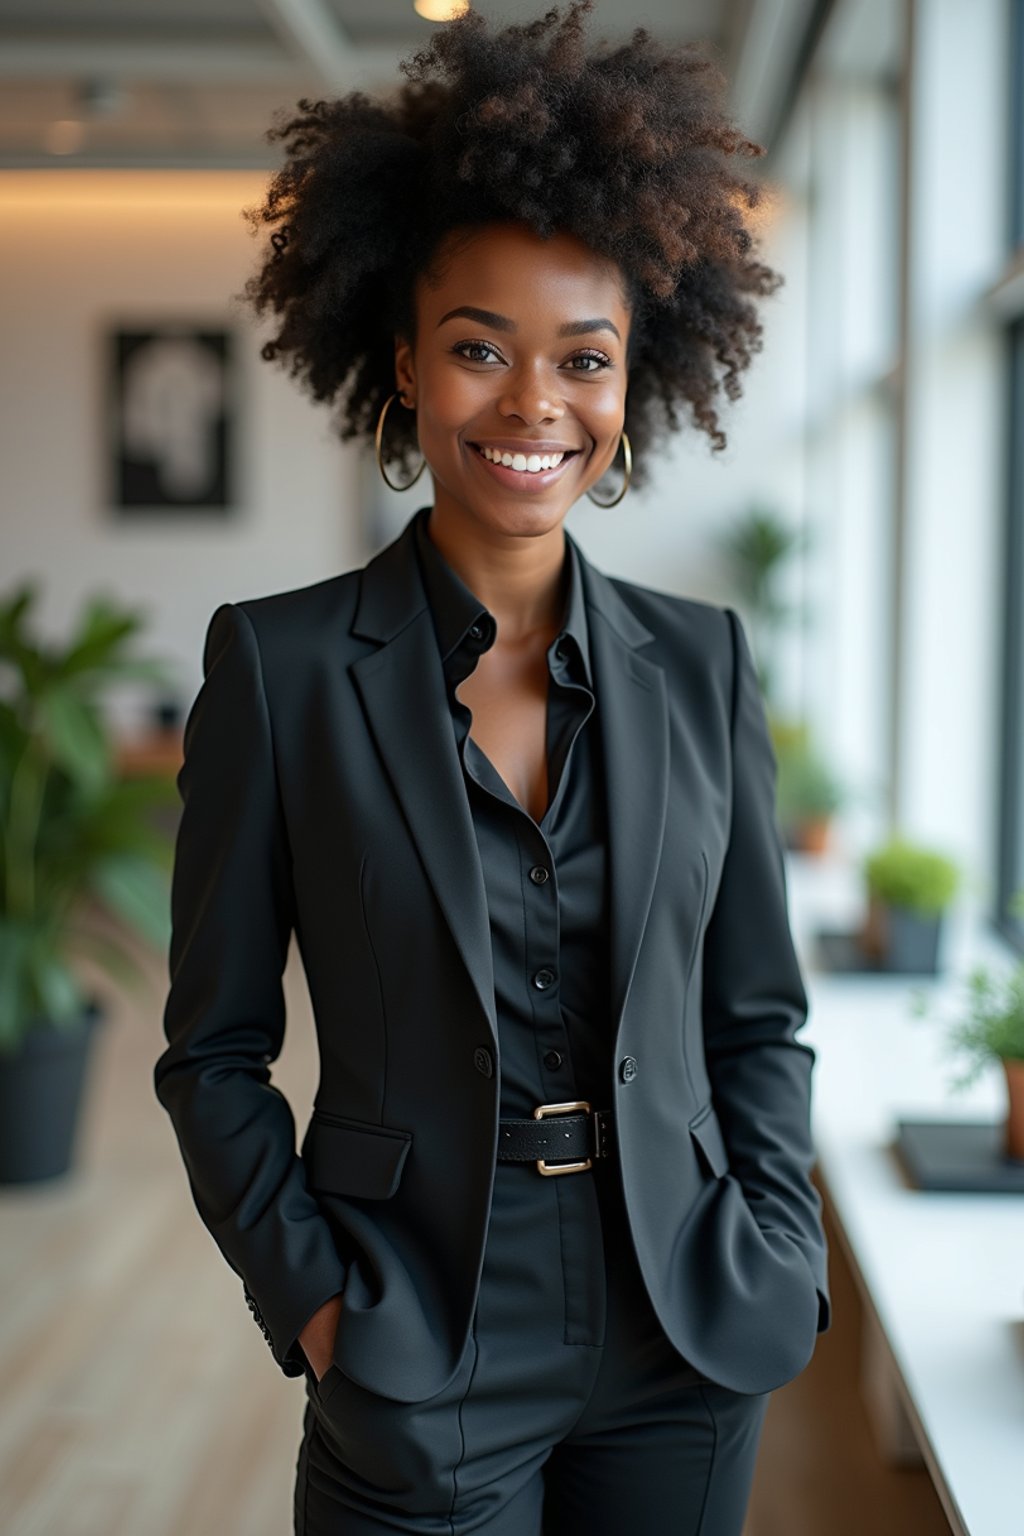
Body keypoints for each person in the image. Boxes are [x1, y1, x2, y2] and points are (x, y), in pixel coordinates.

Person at [153, 3, 832, 1532]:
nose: (534, 404)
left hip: (682, 1323)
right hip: (419, 1323)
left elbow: (756, 1017)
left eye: (582, 358)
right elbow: (211, 1052)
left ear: (634, 378)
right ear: (402, 362)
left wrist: (777, 1246)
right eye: (480, 349)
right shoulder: (279, 670)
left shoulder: (706, 663)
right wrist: (322, 1302)